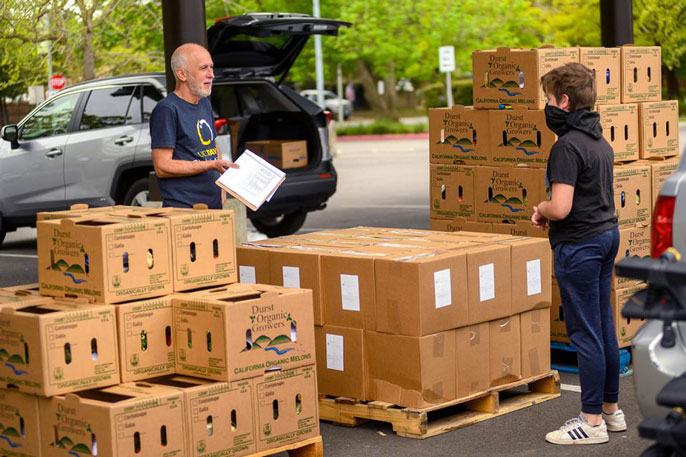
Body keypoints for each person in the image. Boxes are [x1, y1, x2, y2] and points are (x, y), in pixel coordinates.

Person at [531, 62, 625, 445]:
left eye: (549, 99)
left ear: (564, 101)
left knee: (585, 333)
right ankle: (610, 411)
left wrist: (540, 207)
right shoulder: (599, 141)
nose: (547, 106)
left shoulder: (566, 147)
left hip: (580, 245)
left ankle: (590, 422)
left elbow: (562, 206)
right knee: (603, 327)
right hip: (606, 236)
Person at [150, 43, 238, 209]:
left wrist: (222, 181)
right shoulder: (167, 109)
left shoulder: (204, 103)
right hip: (184, 210)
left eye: (212, 67)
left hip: (214, 205)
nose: (211, 74)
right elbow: (162, 166)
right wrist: (211, 165)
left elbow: (212, 143)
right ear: (182, 74)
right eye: (204, 68)